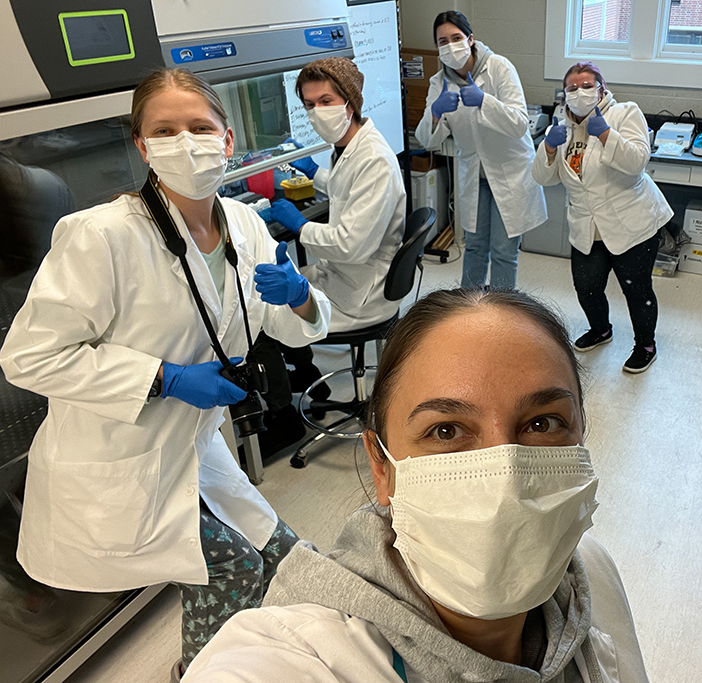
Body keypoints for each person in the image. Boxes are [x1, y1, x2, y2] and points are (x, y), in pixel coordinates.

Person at [0, 68, 333, 679]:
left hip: (194, 447)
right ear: (142, 146)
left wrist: (301, 295)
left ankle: (253, 661)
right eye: (166, 129)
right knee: (232, 566)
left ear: (227, 140)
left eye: (200, 127)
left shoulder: (245, 225)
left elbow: (296, 328)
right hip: (120, 457)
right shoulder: (99, 236)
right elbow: (27, 356)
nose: (187, 141)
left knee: (284, 556)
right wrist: (167, 378)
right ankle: (201, 673)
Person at [181, 289, 649, 682]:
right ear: (381, 468)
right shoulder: (291, 657)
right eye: (445, 430)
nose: (504, 473)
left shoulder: (593, 573)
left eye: (543, 423)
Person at [262, 57, 406, 394]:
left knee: (266, 308)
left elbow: (350, 245)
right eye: (309, 104)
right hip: (349, 274)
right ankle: (304, 369)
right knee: (283, 289)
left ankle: (286, 405)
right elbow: (349, 189)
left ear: (350, 103)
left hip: (362, 290)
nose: (316, 112)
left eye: (326, 101)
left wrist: (299, 226)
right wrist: (315, 173)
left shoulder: (374, 160)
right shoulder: (349, 148)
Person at [532, 62, 672, 374]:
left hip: (631, 222)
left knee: (636, 288)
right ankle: (601, 329)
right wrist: (549, 148)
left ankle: (645, 345)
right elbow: (543, 177)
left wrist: (607, 134)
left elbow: (637, 161)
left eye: (586, 86)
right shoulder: (562, 125)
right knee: (587, 286)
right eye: (571, 88)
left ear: (602, 89)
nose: (579, 92)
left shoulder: (624, 113)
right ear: (564, 95)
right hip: (586, 224)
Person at [415, 11, 547, 290]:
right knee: (473, 247)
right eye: (442, 41)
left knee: (503, 251)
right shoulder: (439, 83)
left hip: (509, 172)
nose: (450, 46)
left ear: (471, 39)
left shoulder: (499, 68)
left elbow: (520, 124)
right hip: (474, 175)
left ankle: (501, 313)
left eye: (456, 38)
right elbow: (427, 139)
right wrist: (435, 114)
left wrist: (484, 101)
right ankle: (469, 311)